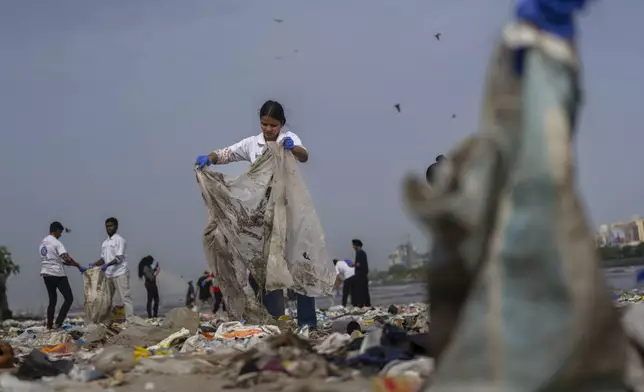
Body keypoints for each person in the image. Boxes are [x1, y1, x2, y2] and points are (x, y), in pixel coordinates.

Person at [194, 100, 315, 327]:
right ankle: (275, 321)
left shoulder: (288, 139)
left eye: (273, 125)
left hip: (288, 210)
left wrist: (292, 148)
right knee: (267, 268)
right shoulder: (252, 144)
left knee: (300, 264)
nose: (268, 129)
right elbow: (226, 153)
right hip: (263, 214)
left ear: (281, 124)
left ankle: (308, 322)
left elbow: (304, 155)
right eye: (264, 124)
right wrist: (209, 158)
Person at [39, 221, 85, 330]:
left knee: (52, 301)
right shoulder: (56, 243)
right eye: (61, 232)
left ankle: (49, 326)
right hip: (57, 274)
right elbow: (65, 257)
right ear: (57, 230)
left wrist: (69, 263)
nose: (61, 235)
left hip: (46, 274)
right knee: (69, 298)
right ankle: (58, 323)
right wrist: (78, 265)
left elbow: (57, 259)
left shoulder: (43, 243)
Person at [92, 217, 134, 319]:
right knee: (106, 300)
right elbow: (103, 259)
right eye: (107, 226)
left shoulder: (120, 240)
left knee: (125, 298)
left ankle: (131, 321)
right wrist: (94, 264)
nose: (108, 228)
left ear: (116, 227)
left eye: (111, 226)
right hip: (109, 275)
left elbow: (119, 258)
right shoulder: (105, 243)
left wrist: (107, 264)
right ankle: (105, 320)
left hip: (120, 273)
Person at [352, 239, 371, 308]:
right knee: (364, 290)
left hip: (361, 274)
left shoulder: (360, 253)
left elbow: (359, 264)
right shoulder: (361, 253)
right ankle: (366, 304)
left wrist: (352, 265)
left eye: (354, 245)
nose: (353, 247)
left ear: (357, 246)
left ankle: (362, 304)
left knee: (360, 290)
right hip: (362, 274)